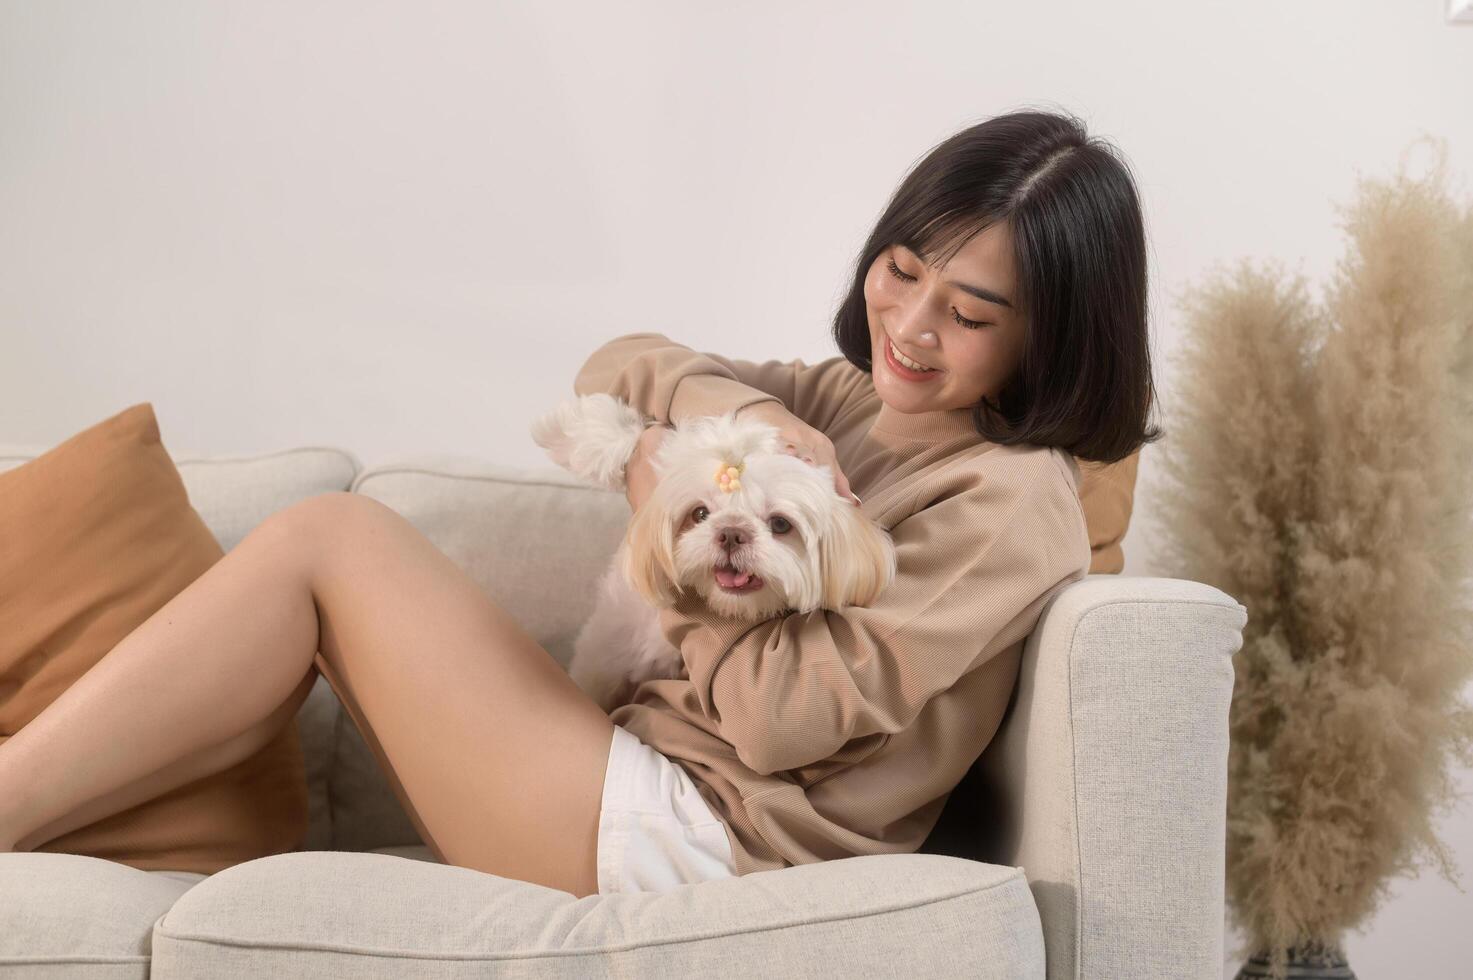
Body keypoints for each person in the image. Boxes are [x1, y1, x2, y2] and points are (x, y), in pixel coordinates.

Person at [0, 108, 1156, 900]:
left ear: (1048, 333)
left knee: (328, 544)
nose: (909, 325)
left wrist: (672, 517)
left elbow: (783, 721)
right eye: (902, 268)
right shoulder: (852, 400)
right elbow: (617, 359)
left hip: (714, 843)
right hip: (629, 768)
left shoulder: (1009, 502)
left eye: (969, 311)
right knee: (321, 568)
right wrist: (714, 411)